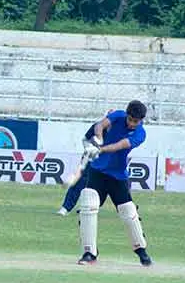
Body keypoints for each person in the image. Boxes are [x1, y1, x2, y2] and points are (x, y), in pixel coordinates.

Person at [57, 100, 152, 267]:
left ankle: (141, 251)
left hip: (117, 176)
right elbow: (100, 125)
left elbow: (119, 146)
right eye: (130, 119)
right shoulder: (118, 116)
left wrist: (100, 149)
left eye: (135, 121)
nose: (131, 123)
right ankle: (89, 253)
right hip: (98, 172)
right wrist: (99, 139)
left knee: (128, 212)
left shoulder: (140, 134)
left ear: (141, 120)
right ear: (127, 114)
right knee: (88, 207)